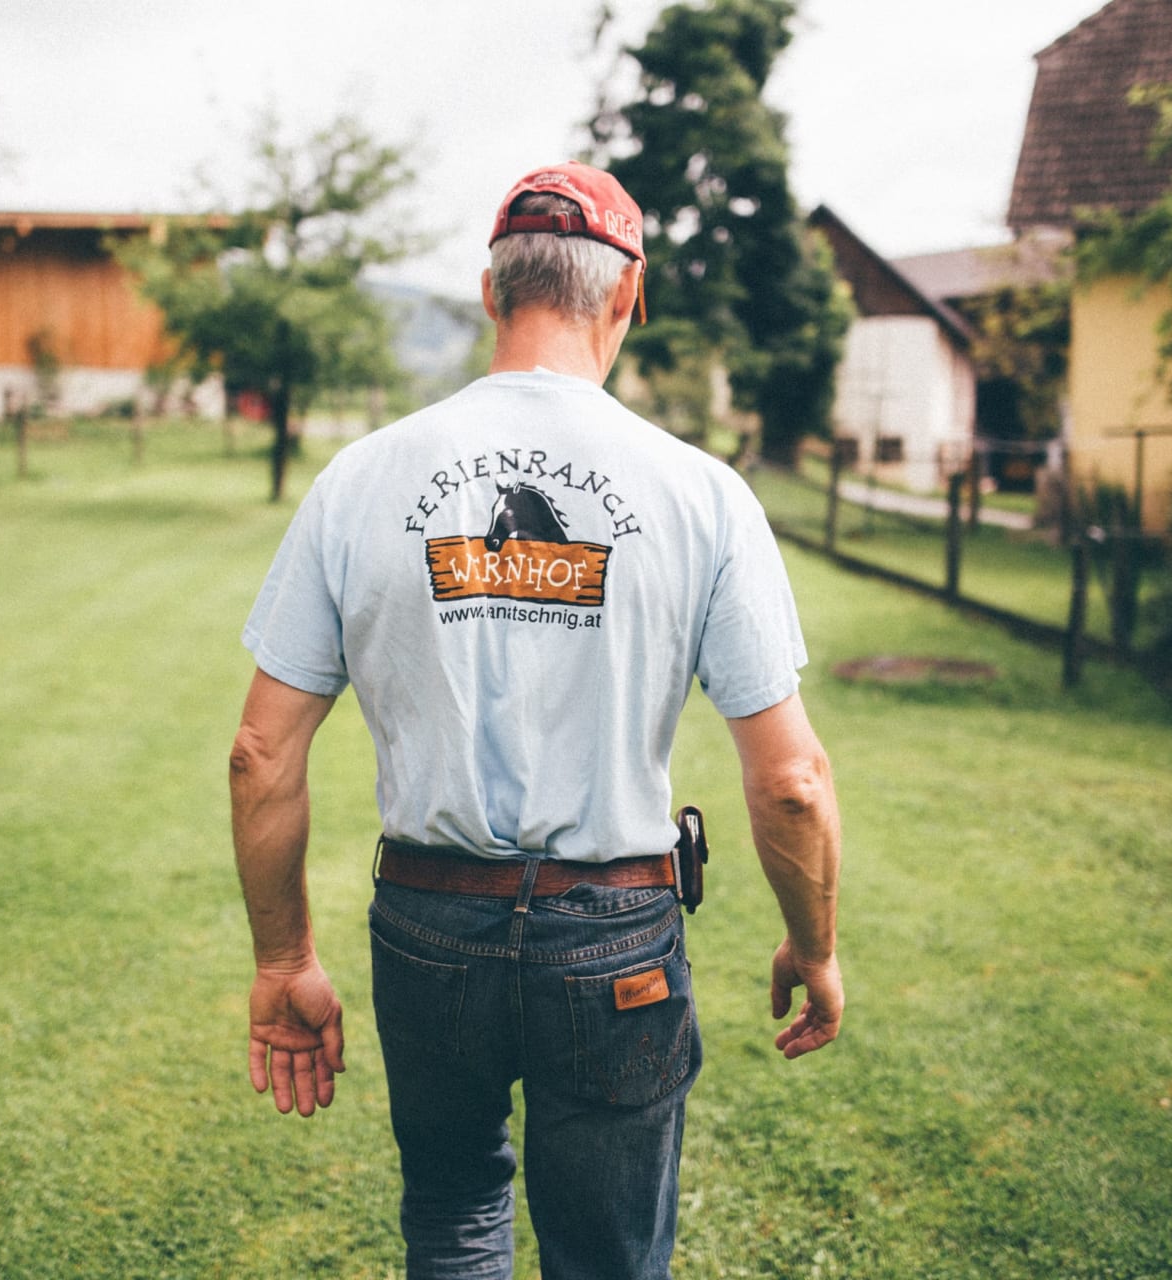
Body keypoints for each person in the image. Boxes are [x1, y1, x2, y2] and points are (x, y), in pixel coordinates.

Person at [229, 160, 843, 1280]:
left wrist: (284, 958)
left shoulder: (360, 479)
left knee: (456, 1213)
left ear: (491, 293)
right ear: (629, 296)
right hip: (616, 939)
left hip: (428, 926)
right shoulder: (701, 493)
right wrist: (815, 944)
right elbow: (792, 781)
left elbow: (260, 751)